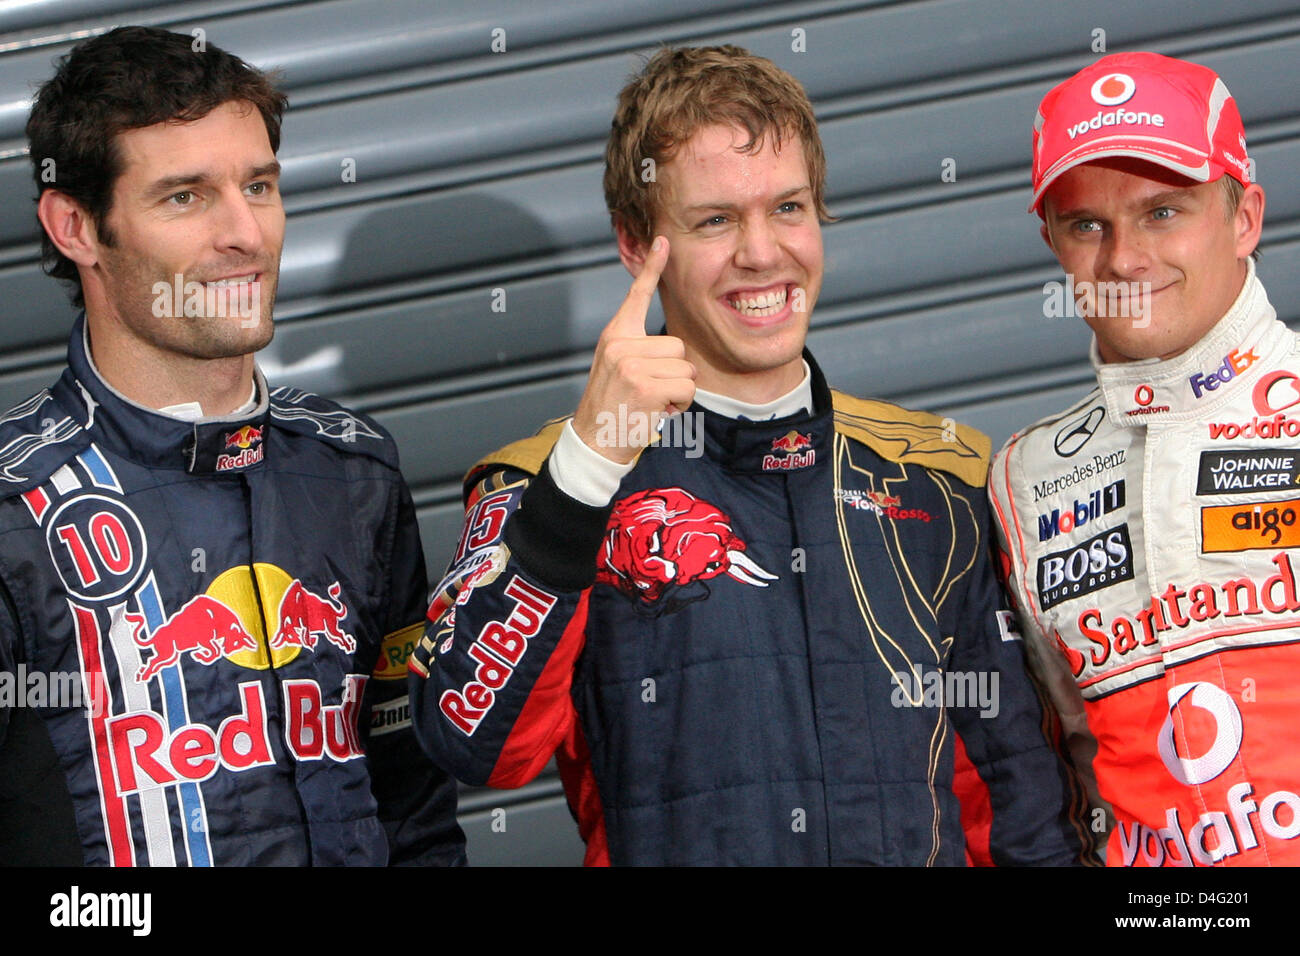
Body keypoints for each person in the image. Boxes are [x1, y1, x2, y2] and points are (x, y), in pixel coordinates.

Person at [409, 45, 1090, 866]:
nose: (763, 253)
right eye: (715, 220)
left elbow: (1011, 792)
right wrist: (588, 467)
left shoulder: (937, 476)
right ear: (636, 242)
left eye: (789, 208)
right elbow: (474, 742)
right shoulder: (546, 483)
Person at [0, 25, 465, 865]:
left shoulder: (354, 469)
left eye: (259, 185)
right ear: (75, 226)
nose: (247, 233)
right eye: (186, 196)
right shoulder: (12, 513)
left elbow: (414, 804)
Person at [989, 51, 1296, 866]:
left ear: (1244, 216)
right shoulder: (1026, 478)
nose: (1123, 260)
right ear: (1053, 240)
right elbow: (1061, 771)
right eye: (1088, 224)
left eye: (1163, 212)